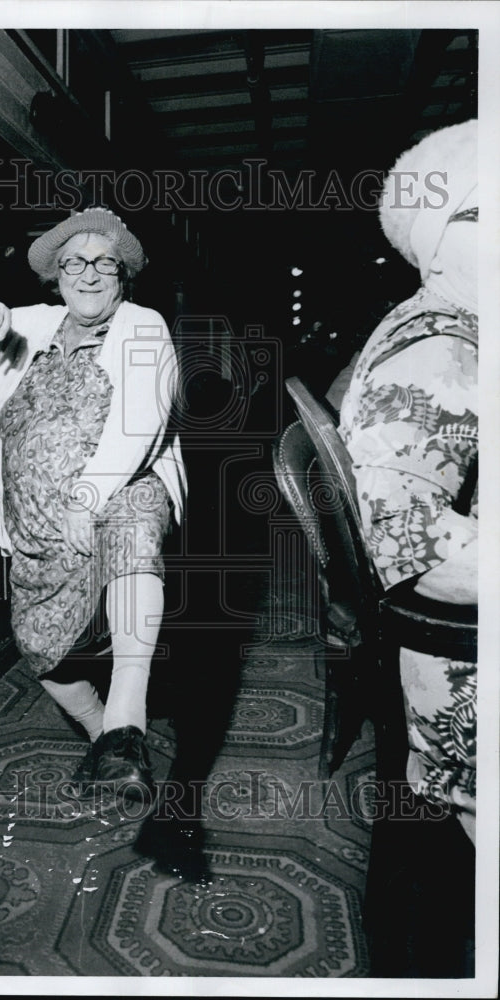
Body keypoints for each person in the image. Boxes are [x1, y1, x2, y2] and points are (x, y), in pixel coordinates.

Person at [0, 207, 186, 800]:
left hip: (114, 494)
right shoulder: (32, 325)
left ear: (123, 275)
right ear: (57, 275)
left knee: (134, 528)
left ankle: (127, 721)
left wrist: (87, 493)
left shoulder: (142, 326)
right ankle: (111, 745)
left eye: (105, 263)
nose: (89, 274)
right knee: (42, 652)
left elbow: (141, 423)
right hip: (33, 525)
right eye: (75, 263)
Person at [338, 120, 478, 843]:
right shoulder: (440, 347)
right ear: (432, 244)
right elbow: (409, 541)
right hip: (461, 669)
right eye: (480, 213)